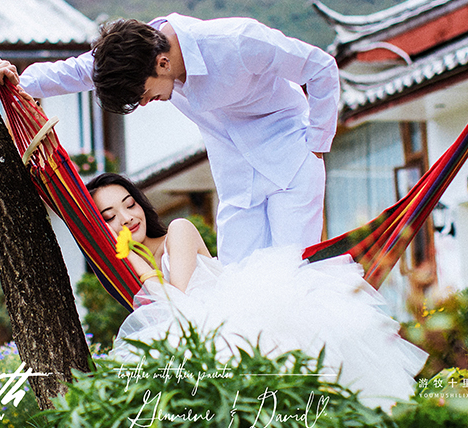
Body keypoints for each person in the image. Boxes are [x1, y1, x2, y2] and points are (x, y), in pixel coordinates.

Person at [0, 14, 340, 265]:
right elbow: (78, 71)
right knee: (237, 281)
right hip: (236, 178)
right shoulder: (132, 54)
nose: (145, 103)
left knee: (292, 271)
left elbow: (320, 67)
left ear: (162, 63)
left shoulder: (237, 41)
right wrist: (19, 83)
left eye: (144, 95)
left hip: (290, 159)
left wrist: (317, 144)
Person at [85, 173, 428, 411]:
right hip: (209, 336)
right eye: (110, 216)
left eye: (130, 204)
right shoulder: (127, 270)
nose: (126, 218)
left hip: (235, 315)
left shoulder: (178, 230)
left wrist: (134, 260)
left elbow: (180, 309)